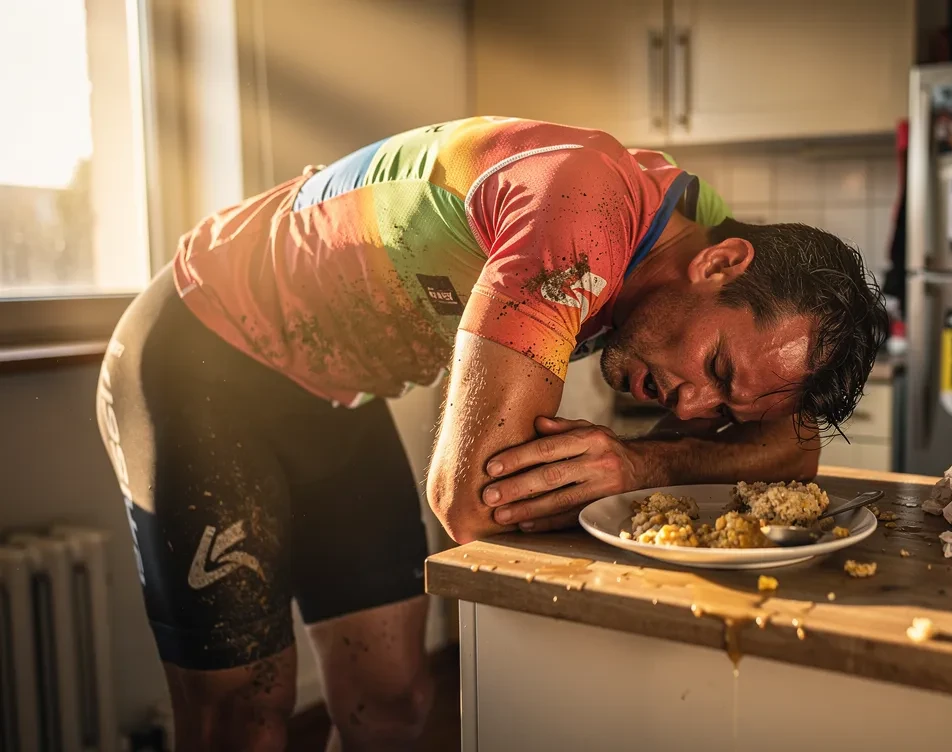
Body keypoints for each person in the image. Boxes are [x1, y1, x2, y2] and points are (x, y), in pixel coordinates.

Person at [95, 116, 886, 750]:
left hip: (335, 391)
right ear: (720, 265)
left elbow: (793, 450)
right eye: (714, 366)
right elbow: (472, 502)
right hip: (204, 351)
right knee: (244, 719)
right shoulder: (583, 210)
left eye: (727, 404)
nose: (691, 408)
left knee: (393, 707)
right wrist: (670, 460)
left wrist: (639, 464)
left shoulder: (706, 232)